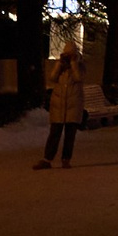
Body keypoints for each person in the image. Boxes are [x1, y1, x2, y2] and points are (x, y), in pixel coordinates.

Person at [36, 42, 84, 170]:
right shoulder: (61, 66)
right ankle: (47, 159)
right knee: (54, 133)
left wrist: (73, 63)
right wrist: (59, 65)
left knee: (70, 135)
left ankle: (66, 159)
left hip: (73, 105)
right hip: (59, 104)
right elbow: (52, 78)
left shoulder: (80, 65)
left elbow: (78, 78)